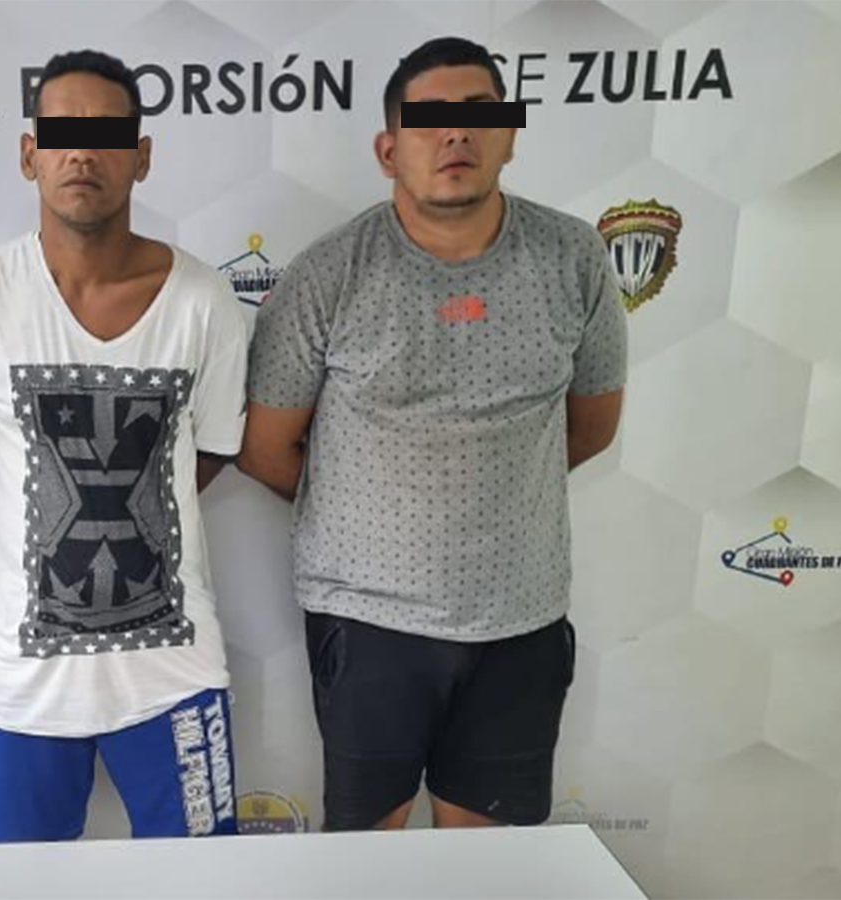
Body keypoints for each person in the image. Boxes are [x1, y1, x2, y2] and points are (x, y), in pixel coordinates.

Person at [240, 36, 627, 831]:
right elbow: (267, 449)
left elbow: (589, 427)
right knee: (368, 859)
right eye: (428, 120)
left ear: (509, 134)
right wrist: (374, 516)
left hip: (520, 621)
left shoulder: (575, 258)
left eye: (478, 115)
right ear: (389, 150)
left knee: (485, 867)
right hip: (369, 625)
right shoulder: (329, 274)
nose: (455, 134)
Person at [0, 50, 249, 842]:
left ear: (141, 157)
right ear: (29, 153)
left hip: (174, 676)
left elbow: (204, 457)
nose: (82, 154)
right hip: (23, 685)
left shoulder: (204, 299)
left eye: (105, 135)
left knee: (207, 887)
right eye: (61, 134)